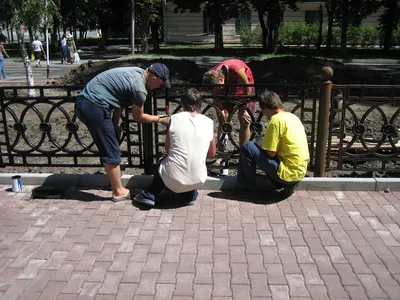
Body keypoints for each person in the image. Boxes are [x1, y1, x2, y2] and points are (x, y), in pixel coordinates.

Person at [74, 63, 172, 202]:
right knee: (110, 147)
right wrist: (161, 119)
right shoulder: (140, 89)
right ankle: (118, 191)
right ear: (154, 78)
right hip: (94, 106)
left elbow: (119, 99)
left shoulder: (137, 72)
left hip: (87, 101)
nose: (160, 88)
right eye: (161, 84)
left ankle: (114, 182)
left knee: (110, 142)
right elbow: (138, 116)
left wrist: (115, 123)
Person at [134, 88, 216, 207]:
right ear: (200, 105)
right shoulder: (209, 122)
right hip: (199, 179)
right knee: (192, 165)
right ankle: (189, 196)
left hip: (172, 177)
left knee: (163, 162)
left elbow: (167, 148)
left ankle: (150, 195)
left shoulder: (175, 119)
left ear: (182, 105)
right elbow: (212, 153)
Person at [237, 90, 309, 198]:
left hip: (287, 173)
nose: (264, 114)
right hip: (300, 171)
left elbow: (271, 153)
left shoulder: (275, 120)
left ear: (265, 107)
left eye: (263, 110)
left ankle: (248, 189)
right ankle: (283, 184)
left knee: (248, 146)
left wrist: (261, 145)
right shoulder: (293, 117)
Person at [202, 59, 255, 166]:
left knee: (245, 120)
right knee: (223, 121)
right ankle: (221, 155)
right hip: (226, 89)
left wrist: (243, 108)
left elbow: (247, 88)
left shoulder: (236, 70)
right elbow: (217, 99)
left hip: (243, 88)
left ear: (221, 80)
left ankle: (243, 155)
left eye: (216, 90)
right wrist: (222, 115)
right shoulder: (211, 78)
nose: (214, 93)